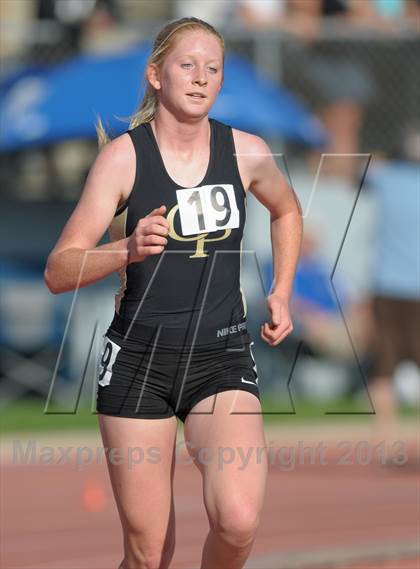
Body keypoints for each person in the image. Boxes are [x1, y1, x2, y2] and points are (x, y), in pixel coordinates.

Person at [44, 17, 302, 569]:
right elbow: (59, 270)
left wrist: (281, 290)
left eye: (213, 69)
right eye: (188, 65)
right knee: (148, 552)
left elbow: (286, 208)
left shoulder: (246, 151)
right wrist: (126, 249)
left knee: (237, 521)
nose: (201, 78)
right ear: (156, 74)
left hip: (221, 357)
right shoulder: (123, 159)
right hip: (139, 364)